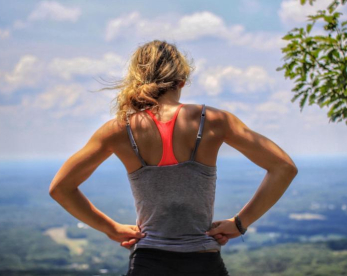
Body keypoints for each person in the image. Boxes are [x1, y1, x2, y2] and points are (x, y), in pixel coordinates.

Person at [49, 40, 298, 276]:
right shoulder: (213, 121)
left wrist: (111, 229)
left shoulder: (119, 129)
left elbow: (61, 188)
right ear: (182, 80)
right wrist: (240, 223)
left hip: (148, 262)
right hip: (203, 262)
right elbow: (283, 167)